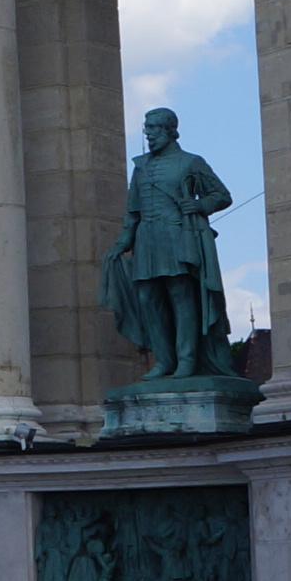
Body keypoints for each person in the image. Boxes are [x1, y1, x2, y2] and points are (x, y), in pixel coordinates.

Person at [103, 107, 239, 379]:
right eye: (146, 128)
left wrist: (199, 205)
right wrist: (124, 241)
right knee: (147, 298)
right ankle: (164, 360)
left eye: (153, 128)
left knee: (181, 296)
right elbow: (133, 211)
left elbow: (222, 195)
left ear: (170, 130)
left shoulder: (191, 162)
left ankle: (187, 359)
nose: (148, 134)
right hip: (147, 238)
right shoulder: (141, 167)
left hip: (177, 236)